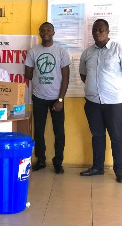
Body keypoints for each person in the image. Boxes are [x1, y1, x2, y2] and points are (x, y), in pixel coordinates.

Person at [79, 19, 122, 183]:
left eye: (101, 30)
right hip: (92, 103)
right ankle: (97, 167)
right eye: (95, 30)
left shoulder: (118, 49)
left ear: (107, 31)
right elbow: (84, 75)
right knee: (97, 135)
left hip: (114, 103)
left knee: (117, 137)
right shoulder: (87, 53)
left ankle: (120, 170)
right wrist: (95, 88)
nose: (97, 32)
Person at [24, 22, 70, 174]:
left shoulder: (61, 51)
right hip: (39, 97)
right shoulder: (33, 52)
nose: (45, 32)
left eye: (48, 30)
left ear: (53, 32)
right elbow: (28, 74)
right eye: (43, 30)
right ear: (39, 32)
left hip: (56, 98)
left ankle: (58, 161)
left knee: (59, 132)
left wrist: (61, 99)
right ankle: (41, 160)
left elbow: (66, 77)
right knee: (38, 131)